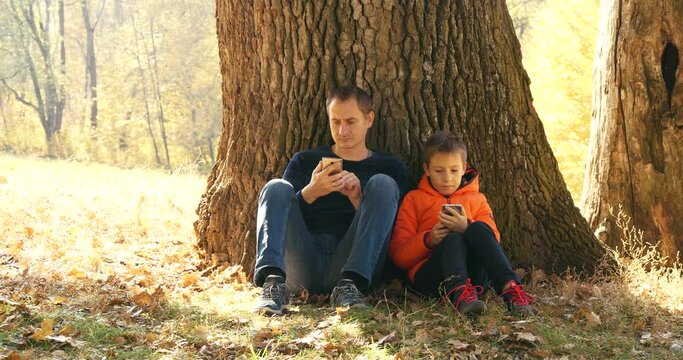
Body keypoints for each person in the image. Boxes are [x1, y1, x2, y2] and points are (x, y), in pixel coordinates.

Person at [254, 85, 409, 315]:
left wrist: (358, 199)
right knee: (275, 187)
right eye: (335, 122)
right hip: (303, 262)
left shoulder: (390, 166)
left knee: (383, 183)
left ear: (369, 119)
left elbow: (392, 231)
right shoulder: (304, 161)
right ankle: (273, 286)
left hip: (354, 265)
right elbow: (283, 217)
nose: (342, 130)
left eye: (350, 121)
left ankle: (349, 286)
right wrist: (311, 192)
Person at [389, 131, 534, 317]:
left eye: (454, 170)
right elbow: (399, 256)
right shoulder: (414, 199)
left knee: (479, 228)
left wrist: (467, 226)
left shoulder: (477, 199)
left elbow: (492, 240)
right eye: (439, 171)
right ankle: (460, 295)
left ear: (464, 168)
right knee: (452, 239)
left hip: (475, 278)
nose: (447, 178)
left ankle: (511, 290)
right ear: (427, 169)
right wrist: (429, 239)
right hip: (433, 279)